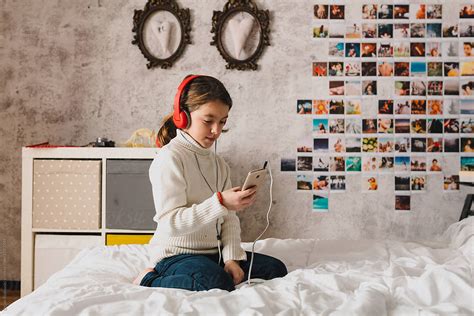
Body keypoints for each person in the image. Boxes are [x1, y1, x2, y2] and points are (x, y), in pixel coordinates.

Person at [133, 75, 287, 291]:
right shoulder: (169, 158)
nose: (216, 130)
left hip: (213, 253)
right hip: (176, 255)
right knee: (217, 282)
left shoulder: (218, 164)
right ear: (183, 117)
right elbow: (171, 222)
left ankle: (218, 268)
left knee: (276, 269)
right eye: (208, 121)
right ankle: (148, 279)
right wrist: (221, 202)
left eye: (222, 122)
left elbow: (229, 220)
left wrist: (231, 259)